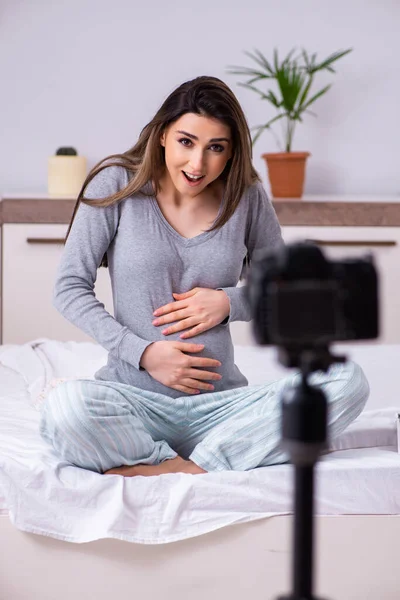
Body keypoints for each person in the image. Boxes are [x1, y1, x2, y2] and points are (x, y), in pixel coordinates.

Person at [39, 76, 369, 477]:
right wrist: (143, 353)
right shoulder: (117, 184)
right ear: (162, 135)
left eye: (216, 148)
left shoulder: (245, 196)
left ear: (232, 153)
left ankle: (194, 467)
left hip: (222, 409)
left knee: (347, 379)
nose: (198, 164)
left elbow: (289, 291)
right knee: (65, 409)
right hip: (133, 399)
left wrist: (230, 302)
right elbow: (69, 288)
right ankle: (169, 458)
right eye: (186, 142)